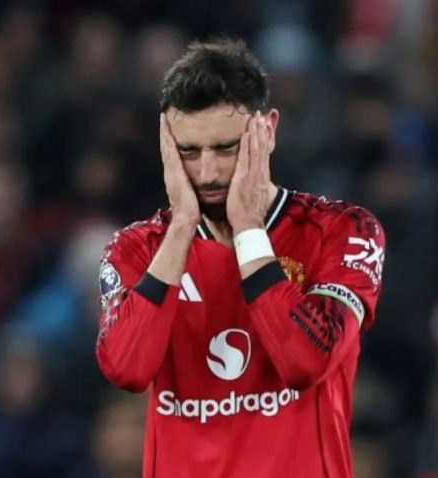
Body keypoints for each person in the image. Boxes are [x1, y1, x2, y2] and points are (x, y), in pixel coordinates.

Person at [95, 38, 386, 478]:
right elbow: (126, 369)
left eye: (226, 148)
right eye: (189, 152)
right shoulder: (137, 248)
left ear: (268, 130)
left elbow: (307, 362)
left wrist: (248, 226)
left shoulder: (343, 231)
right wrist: (181, 227)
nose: (208, 173)